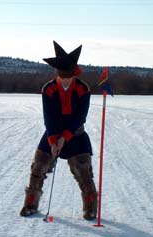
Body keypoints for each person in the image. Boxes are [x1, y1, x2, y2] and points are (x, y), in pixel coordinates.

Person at [20, 41, 97, 220]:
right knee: (38, 167)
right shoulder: (48, 89)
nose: (66, 81)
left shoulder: (83, 89)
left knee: (83, 172)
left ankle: (90, 208)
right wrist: (54, 140)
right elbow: (50, 117)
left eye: (69, 77)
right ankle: (30, 204)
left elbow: (80, 117)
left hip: (76, 135)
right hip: (52, 134)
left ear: (74, 74)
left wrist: (65, 137)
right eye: (63, 77)